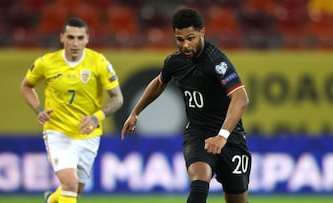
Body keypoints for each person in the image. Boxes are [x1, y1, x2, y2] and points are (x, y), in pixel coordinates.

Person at [121, 8, 251, 203]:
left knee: (236, 200)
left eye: (190, 38)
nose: (185, 45)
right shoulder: (175, 62)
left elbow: (241, 98)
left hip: (230, 138)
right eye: (180, 40)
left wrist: (222, 136)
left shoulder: (217, 62)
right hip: (197, 134)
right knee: (199, 182)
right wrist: (135, 112)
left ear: (202, 33)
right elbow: (159, 82)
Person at [21, 17, 123, 203]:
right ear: (62, 37)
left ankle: (51, 200)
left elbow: (118, 99)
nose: (75, 43)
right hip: (58, 131)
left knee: (74, 191)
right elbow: (26, 86)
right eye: (70, 37)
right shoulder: (47, 62)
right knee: (70, 183)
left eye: (79, 38)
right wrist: (38, 110)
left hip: (88, 135)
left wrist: (96, 117)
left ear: (87, 39)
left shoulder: (98, 62)